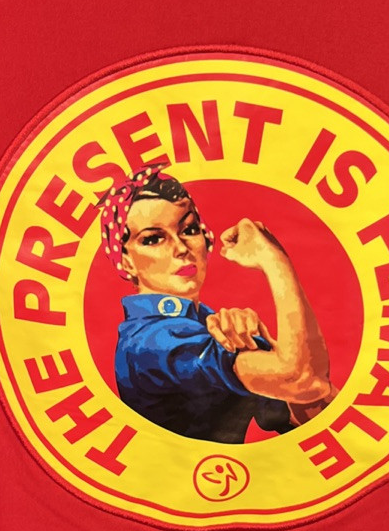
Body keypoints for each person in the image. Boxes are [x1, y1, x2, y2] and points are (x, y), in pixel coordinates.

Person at [99, 167, 336, 442]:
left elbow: (319, 405)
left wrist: (270, 347)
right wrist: (274, 260)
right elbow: (301, 380)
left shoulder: (205, 324)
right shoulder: (152, 341)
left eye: (189, 229)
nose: (181, 248)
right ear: (126, 261)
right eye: (153, 239)